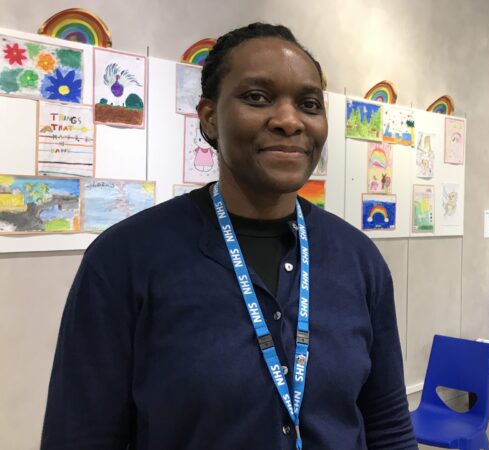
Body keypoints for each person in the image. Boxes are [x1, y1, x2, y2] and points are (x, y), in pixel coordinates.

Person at [41, 23, 417, 449]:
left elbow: (387, 423)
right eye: (257, 97)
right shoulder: (125, 260)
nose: (289, 121)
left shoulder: (358, 259)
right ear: (209, 118)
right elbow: (81, 436)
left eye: (309, 104)